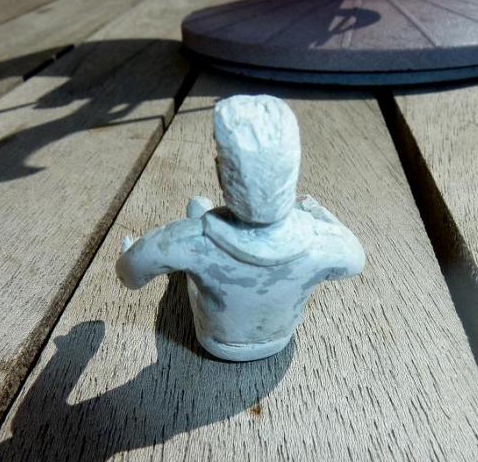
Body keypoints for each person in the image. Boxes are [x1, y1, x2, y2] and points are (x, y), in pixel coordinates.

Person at [116, 94, 365, 361]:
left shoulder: (192, 239)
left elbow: (130, 275)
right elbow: (355, 262)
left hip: (216, 341)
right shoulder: (326, 241)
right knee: (198, 212)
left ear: (223, 173)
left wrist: (138, 251)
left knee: (197, 206)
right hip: (280, 339)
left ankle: (195, 233)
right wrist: (314, 210)